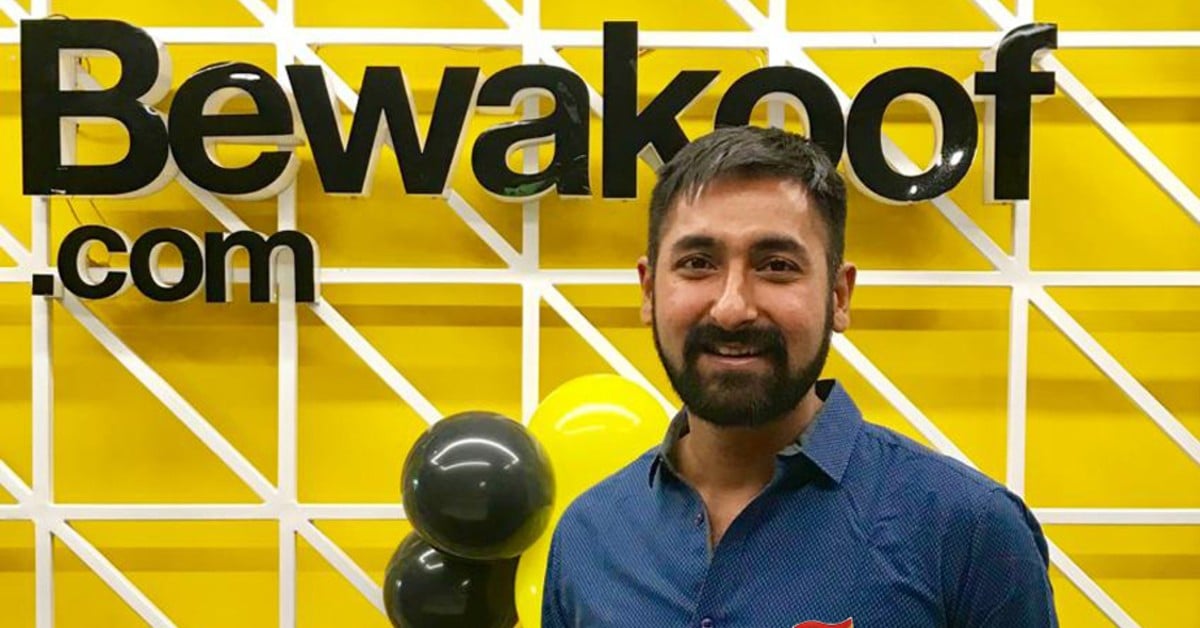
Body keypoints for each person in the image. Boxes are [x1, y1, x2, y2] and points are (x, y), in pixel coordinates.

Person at [540, 126, 1058, 627]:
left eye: (777, 266)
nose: (732, 308)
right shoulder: (588, 537)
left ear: (839, 296)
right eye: (698, 263)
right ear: (649, 291)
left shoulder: (966, 531)